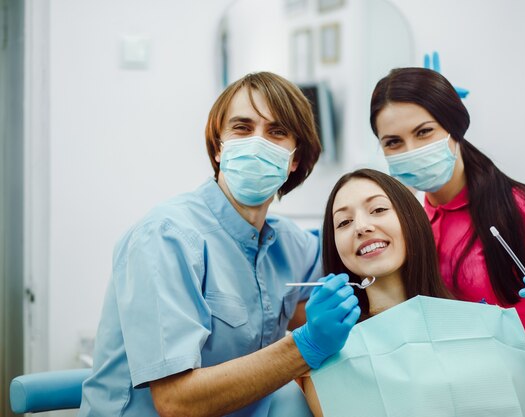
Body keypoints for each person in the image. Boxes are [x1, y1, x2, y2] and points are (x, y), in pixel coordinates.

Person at [79, 72, 361, 417]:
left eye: (276, 132)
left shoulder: (291, 245)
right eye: (242, 128)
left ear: (294, 161)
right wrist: (307, 345)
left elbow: (339, 303)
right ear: (218, 148)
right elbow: (176, 401)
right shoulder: (166, 237)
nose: (258, 143)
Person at [369, 67, 525, 417]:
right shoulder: (410, 226)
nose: (411, 150)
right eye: (393, 142)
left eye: (424, 132)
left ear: (455, 129)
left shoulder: (518, 209)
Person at [299, 168, 454, 416]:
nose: (361, 227)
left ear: (412, 218)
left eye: (379, 209)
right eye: (344, 222)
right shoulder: (330, 354)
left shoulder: (471, 325)